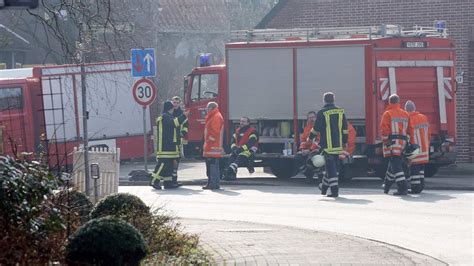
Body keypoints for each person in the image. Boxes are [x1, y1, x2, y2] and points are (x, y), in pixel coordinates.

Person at [308, 92, 348, 197]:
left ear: (324, 100)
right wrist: (345, 141)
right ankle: (324, 189)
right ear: (333, 100)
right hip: (338, 145)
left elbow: (316, 128)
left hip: (327, 146)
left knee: (331, 169)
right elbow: (345, 129)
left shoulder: (322, 112)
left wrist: (310, 137)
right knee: (333, 167)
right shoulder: (340, 112)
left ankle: (334, 191)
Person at [380, 94, 414, 196]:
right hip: (403, 144)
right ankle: (387, 185)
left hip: (392, 144)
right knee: (393, 164)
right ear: (399, 102)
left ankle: (403, 187)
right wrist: (410, 143)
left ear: (390, 102)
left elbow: (384, 129)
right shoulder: (405, 114)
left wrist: (386, 141)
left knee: (396, 167)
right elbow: (410, 130)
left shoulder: (387, 114)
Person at [151, 101, 187, 189]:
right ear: (170, 108)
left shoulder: (166, 116)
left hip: (170, 146)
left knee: (169, 166)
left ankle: (168, 182)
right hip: (166, 147)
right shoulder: (165, 117)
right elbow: (174, 123)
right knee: (163, 164)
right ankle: (154, 181)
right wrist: (184, 115)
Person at [405, 100, 430, 193]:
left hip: (415, 149)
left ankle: (415, 188)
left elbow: (408, 135)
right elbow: (429, 133)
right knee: (421, 170)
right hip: (424, 147)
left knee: (414, 169)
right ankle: (421, 185)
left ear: (406, 110)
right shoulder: (424, 117)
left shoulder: (408, 119)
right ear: (414, 109)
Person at [203, 102, 224, 190]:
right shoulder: (215, 116)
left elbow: (215, 132)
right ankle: (213, 183)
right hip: (212, 145)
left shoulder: (215, 117)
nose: (206, 110)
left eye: (207, 108)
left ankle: (213, 184)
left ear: (211, 108)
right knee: (212, 165)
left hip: (212, 146)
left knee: (212, 165)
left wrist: (208, 141)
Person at [294, 111, 320, 178]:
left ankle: (319, 176)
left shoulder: (320, 127)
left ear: (316, 118)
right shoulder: (306, 128)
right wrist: (302, 149)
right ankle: (307, 174)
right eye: (310, 118)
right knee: (297, 158)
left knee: (310, 159)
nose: (311, 119)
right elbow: (303, 141)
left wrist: (309, 150)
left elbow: (318, 141)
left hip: (317, 150)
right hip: (307, 150)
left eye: (313, 117)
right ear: (307, 119)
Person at [171, 96, 189, 187]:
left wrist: (183, 132)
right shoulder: (169, 112)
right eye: (174, 102)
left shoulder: (182, 113)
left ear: (180, 103)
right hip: (169, 140)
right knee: (170, 160)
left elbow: (186, 125)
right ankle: (170, 180)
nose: (175, 104)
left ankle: (174, 180)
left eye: (177, 103)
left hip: (178, 140)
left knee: (176, 160)